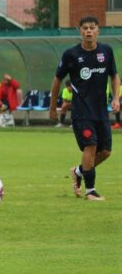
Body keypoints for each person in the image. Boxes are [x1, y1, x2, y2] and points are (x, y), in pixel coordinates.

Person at [49, 16, 120, 201]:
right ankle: (90, 191)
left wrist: (116, 98)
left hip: (101, 111)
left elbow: (114, 76)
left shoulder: (106, 51)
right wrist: (52, 106)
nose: (89, 31)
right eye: (85, 28)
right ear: (79, 30)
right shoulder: (71, 55)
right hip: (81, 111)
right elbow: (57, 80)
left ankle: (79, 171)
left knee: (105, 151)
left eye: (92, 28)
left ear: (98, 30)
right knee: (90, 146)